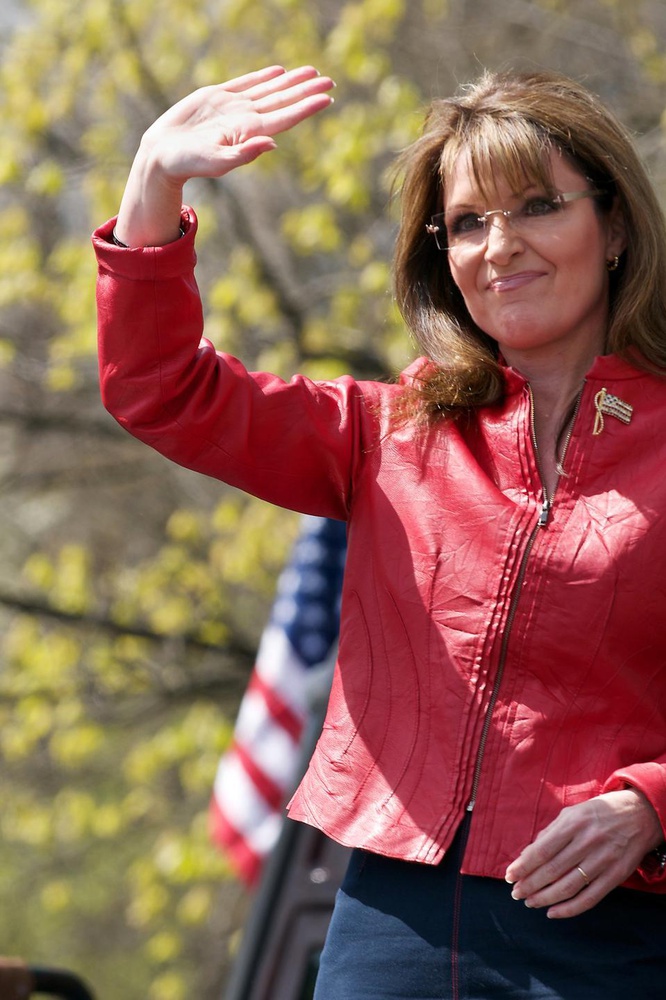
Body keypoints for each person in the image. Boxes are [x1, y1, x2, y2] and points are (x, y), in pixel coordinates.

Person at [93, 65, 666, 998]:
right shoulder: (391, 430)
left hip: (617, 934)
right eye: (469, 223)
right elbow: (163, 390)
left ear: (616, 229)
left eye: (536, 207)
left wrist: (651, 804)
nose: (499, 246)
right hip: (388, 929)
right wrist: (155, 181)